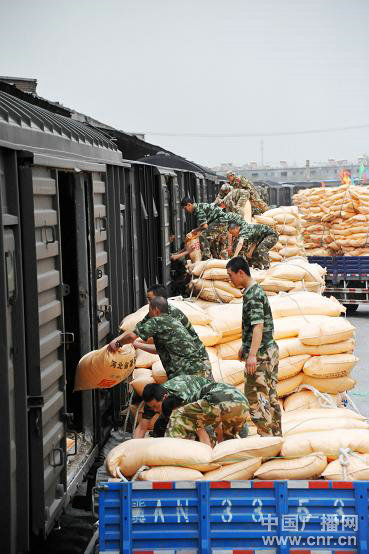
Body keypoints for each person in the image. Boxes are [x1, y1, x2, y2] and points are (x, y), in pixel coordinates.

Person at [108, 285, 212, 438]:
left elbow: (131, 336)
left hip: (191, 369)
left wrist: (117, 343)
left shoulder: (164, 317)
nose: (147, 305)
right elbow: (160, 347)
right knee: (183, 408)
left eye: (149, 300)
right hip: (182, 369)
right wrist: (135, 344)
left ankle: (200, 441)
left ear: (157, 303)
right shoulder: (158, 315)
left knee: (197, 407)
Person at [226, 257, 282, 437]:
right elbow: (254, 327)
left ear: (241, 273)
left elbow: (258, 326)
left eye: (230, 275)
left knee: (256, 397)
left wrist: (252, 355)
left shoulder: (253, 295)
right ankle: (275, 435)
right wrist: (246, 346)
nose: (230, 280)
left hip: (261, 355)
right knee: (270, 396)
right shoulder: (253, 291)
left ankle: (267, 438)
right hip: (268, 350)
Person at [142, 375, 249, 445]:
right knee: (228, 444)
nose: (156, 411)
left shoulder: (183, 399)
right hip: (243, 402)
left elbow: (203, 432)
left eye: (156, 407)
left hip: (219, 401)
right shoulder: (170, 397)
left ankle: (169, 452)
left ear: (165, 397)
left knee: (177, 418)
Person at [181, 197, 245, 259]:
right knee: (216, 246)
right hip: (221, 222)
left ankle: (206, 258)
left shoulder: (198, 209)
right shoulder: (199, 206)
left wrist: (194, 230)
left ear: (189, 205)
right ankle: (221, 262)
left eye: (185, 208)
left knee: (203, 236)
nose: (186, 211)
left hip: (220, 222)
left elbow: (204, 226)